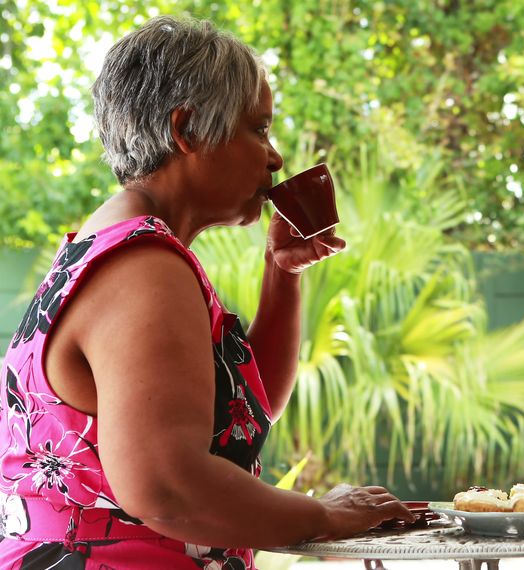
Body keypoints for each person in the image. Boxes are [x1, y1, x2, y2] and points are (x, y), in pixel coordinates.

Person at [0, 16, 413, 568]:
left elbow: (243, 411)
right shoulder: (143, 266)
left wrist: (281, 274)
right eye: (259, 129)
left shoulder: (118, 247)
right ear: (188, 130)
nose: (275, 157)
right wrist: (323, 515)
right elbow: (167, 486)